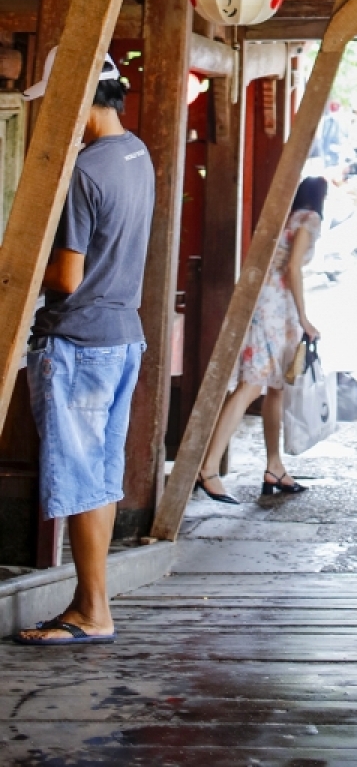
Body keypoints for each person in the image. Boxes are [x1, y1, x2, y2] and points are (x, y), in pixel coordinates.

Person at [16, 50, 154, 646]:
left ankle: (92, 610)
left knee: (79, 476)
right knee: (98, 477)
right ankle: (89, 605)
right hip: (123, 337)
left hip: (76, 340)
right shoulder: (136, 153)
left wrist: (17, 264)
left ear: (81, 97)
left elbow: (67, 277)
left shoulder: (85, 170)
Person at [196, 176, 325, 503]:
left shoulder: (287, 218)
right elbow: (293, 269)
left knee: (275, 390)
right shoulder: (310, 220)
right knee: (251, 386)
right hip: (276, 310)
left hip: (267, 305)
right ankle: (207, 468)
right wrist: (305, 317)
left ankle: (274, 467)